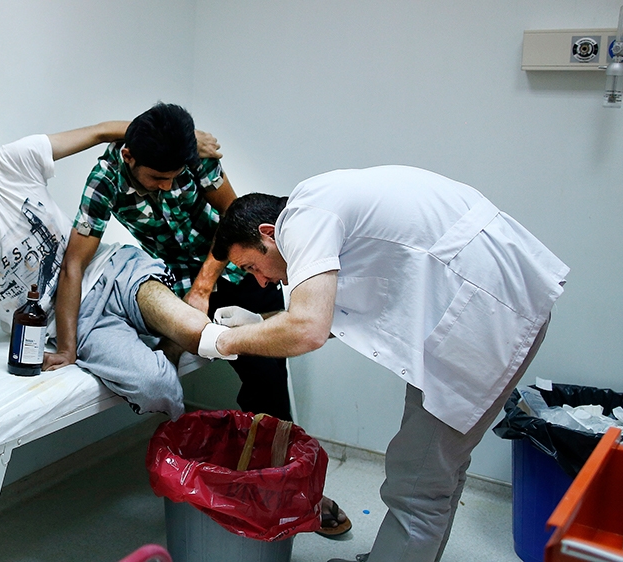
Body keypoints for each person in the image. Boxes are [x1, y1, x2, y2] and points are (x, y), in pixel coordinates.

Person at [202, 166, 569, 562]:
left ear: (268, 233)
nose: (260, 281)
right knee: (436, 472)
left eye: (252, 267)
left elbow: (308, 329)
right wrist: (260, 324)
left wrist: (221, 341)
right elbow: (321, 320)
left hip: (487, 315)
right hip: (487, 305)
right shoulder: (322, 208)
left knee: (418, 482)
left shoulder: (304, 218)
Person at [51, 103, 349, 535]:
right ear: (130, 157)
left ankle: (296, 491)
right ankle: (203, 460)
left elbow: (237, 220)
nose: (168, 186)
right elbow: (74, 264)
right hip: (169, 276)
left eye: (175, 178)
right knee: (157, 354)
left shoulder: (197, 157)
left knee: (265, 365)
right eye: (158, 179)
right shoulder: (104, 181)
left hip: (234, 264)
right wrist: (66, 346)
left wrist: (205, 285)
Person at [0, 122, 214, 420]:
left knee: (194, 333)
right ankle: (163, 348)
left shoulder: (10, 162)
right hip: (73, 325)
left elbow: (100, 132)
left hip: (113, 271)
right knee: (158, 388)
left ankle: (171, 338)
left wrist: (179, 143)